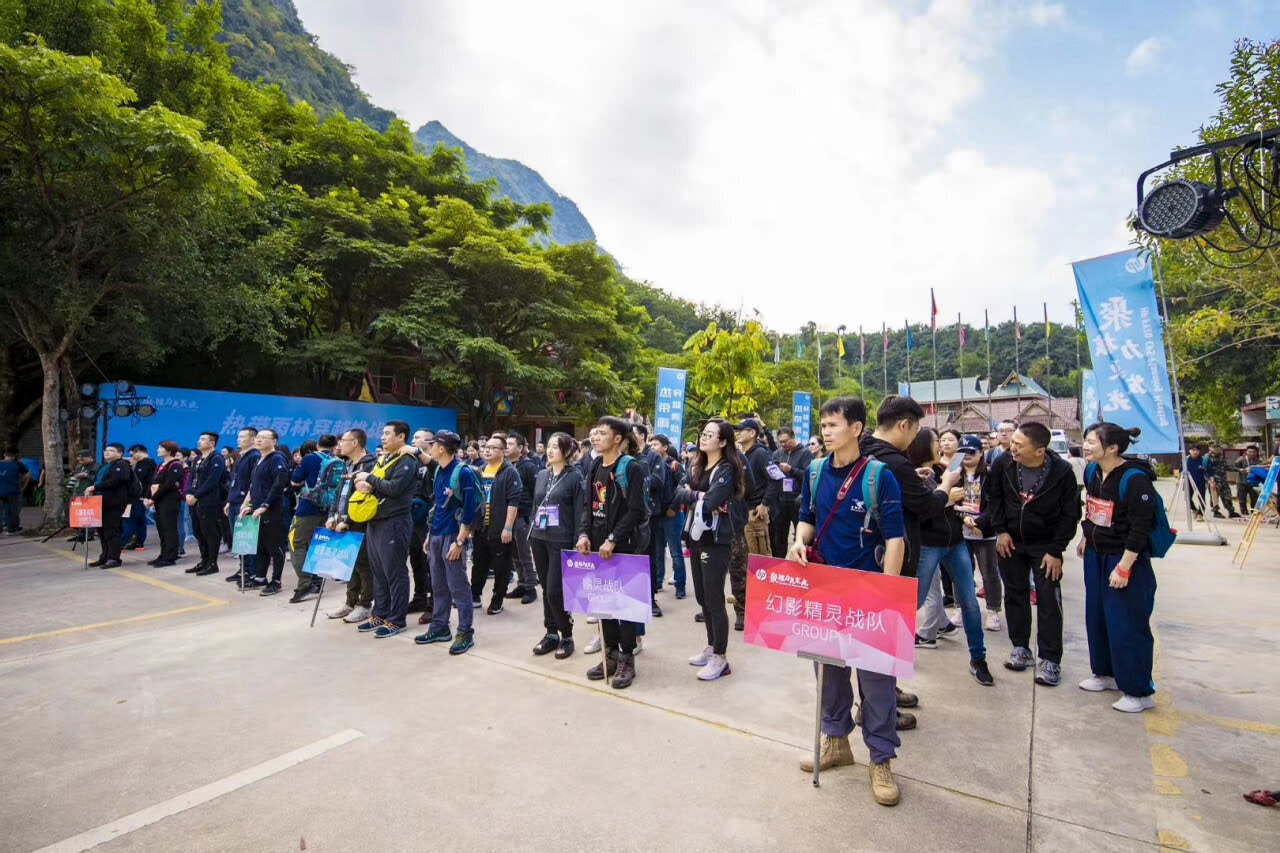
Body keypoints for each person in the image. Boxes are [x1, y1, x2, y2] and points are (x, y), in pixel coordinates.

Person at [788, 397, 907, 807]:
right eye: (823, 424)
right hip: (823, 588)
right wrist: (798, 543)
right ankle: (836, 742)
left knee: (876, 682)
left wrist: (887, 593)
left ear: (857, 428)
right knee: (828, 673)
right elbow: (807, 518)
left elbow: (895, 539)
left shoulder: (879, 476)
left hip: (869, 593)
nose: (826, 430)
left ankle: (881, 758)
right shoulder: (815, 471)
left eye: (834, 424)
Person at [861, 395, 964, 728]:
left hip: (867, 554)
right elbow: (925, 507)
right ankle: (877, 708)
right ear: (904, 425)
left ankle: (886, 693)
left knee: (881, 635)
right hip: (890, 558)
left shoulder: (864, 449)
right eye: (917, 428)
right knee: (885, 634)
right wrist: (945, 487)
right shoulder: (894, 462)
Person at [985, 421, 1082, 686]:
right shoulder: (1004, 464)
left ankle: (1050, 659)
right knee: (1015, 595)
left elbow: (1070, 514)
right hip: (1011, 542)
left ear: (1039, 450)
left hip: (1045, 546)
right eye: (1012, 442)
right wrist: (1001, 530)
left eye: (1018, 444)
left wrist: (1055, 550)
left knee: (1049, 600)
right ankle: (1020, 648)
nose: (1012, 447)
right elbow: (994, 498)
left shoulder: (1062, 472)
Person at [1079, 423, 1159, 713]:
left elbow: (1140, 528)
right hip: (1096, 554)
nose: (1085, 446)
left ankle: (1138, 691)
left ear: (1112, 448)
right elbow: (1091, 508)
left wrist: (1125, 567)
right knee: (1098, 616)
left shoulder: (1135, 480)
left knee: (1127, 623)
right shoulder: (1092, 472)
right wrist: (1086, 538)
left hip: (1125, 559)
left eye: (1091, 442)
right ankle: (1105, 673)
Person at [576, 416, 648, 689]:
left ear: (618, 438)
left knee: (625, 605)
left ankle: (627, 659)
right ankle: (610, 653)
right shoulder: (594, 464)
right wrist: (584, 534)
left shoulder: (631, 468)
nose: (595, 437)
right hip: (596, 547)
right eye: (594, 433)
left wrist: (613, 538)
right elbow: (587, 504)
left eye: (602, 433)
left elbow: (636, 510)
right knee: (603, 603)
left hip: (623, 546)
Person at [916, 430, 992, 686]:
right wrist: (946, 498)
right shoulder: (914, 473)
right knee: (914, 601)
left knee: (969, 601)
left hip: (956, 542)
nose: (945, 445)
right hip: (929, 545)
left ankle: (978, 658)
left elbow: (958, 501)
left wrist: (961, 511)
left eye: (947, 441)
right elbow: (922, 510)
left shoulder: (949, 469)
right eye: (939, 442)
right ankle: (893, 653)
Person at [675, 418, 745, 681]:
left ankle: (721, 658)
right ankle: (711, 646)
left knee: (715, 599)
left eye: (710, 435)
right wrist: (699, 496)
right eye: (702, 433)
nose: (703, 438)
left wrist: (695, 494)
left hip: (716, 539)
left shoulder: (727, 468)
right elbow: (676, 493)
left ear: (723, 442)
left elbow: (714, 499)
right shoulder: (698, 465)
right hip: (696, 536)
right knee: (703, 597)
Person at [415, 430, 481, 654]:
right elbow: (438, 506)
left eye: (432, 444)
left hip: (454, 536)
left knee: (458, 586)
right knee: (438, 585)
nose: (429, 448)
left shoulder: (463, 472)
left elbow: (470, 510)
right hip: (436, 535)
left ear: (441, 448)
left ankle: (465, 632)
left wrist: (460, 542)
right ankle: (440, 627)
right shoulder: (438, 471)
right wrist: (429, 535)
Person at [352, 421, 418, 638]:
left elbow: (394, 489)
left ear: (401, 437)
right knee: (378, 570)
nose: (383, 437)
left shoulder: (407, 461)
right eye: (382, 433)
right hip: (376, 520)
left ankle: (397, 619)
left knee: (394, 571)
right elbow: (375, 485)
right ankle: (380, 613)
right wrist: (366, 482)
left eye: (388, 433)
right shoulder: (384, 458)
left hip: (394, 521)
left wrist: (368, 478)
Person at [528, 432, 583, 659]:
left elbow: (580, 512)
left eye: (555, 447)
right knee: (545, 589)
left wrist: (578, 540)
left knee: (554, 591)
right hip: (539, 538)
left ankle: (567, 634)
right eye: (548, 446)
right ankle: (551, 633)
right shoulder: (542, 474)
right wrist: (532, 531)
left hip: (561, 540)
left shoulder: (575, 477)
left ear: (566, 452)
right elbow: (536, 505)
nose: (550, 450)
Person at [326, 429, 377, 624]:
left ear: (355, 442)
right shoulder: (347, 464)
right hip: (341, 521)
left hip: (359, 523)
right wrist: (333, 516)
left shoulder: (370, 465)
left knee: (363, 565)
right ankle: (350, 601)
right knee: (350, 564)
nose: (339, 444)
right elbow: (340, 494)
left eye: (344, 441)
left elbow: (366, 497)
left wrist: (348, 521)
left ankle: (364, 604)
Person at [471, 433, 522, 614]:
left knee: (501, 566)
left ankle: (497, 600)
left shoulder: (509, 472)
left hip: (500, 528)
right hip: (480, 527)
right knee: (479, 563)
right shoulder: (480, 470)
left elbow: (513, 502)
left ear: (503, 451)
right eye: (486, 447)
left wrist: (508, 527)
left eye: (493, 448)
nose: (488, 451)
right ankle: (474, 596)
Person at [957, 435, 1003, 632]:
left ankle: (993, 610)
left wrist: (979, 522)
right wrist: (964, 518)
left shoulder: (990, 475)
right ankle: (960, 607)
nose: (966, 455)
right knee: (960, 573)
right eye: (963, 452)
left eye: (971, 452)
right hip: (960, 531)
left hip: (985, 533)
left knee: (989, 573)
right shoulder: (953, 474)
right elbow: (948, 500)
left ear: (981, 453)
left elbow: (995, 504)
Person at [731, 417, 772, 630]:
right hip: (739, 515)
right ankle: (742, 607)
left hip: (755, 515)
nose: (739, 433)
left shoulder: (761, 454)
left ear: (753, 433)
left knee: (759, 563)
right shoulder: (740, 455)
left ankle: (763, 608)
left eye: (743, 430)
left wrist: (765, 504)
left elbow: (777, 478)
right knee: (739, 563)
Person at [240, 429, 291, 594]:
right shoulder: (259, 459)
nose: (259, 440)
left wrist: (265, 504)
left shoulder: (277, 458)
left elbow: (279, 484)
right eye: (257, 438)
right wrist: (250, 505)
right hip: (257, 509)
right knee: (260, 546)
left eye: (263, 438)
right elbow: (256, 486)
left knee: (275, 547)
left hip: (272, 510)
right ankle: (260, 578)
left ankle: (276, 582)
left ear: (274, 441)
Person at [286, 436, 334, 604]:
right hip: (328, 509)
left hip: (308, 508)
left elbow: (295, 480)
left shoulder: (310, 458)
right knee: (317, 544)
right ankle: (316, 580)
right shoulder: (336, 459)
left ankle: (305, 584)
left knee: (295, 543)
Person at [649, 434, 688, 598]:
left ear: (665, 447)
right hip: (657, 513)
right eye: (651, 444)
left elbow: (683, 487)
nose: (652, 447)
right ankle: (657, 581)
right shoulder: (649, 463)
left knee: (675, 551)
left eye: (656, 444)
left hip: (672, 514)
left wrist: (674, 507)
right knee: (657, 551)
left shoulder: (674, 465)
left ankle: (680, 586)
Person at [504, 432, 541, 605]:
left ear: (520, 448)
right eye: (506, 444)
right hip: (507, 516)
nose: (507, 447)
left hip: (523, 516)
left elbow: (537, 492)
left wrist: (533, 516)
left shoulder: (528, 466)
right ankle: (521, 583)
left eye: (511, 444)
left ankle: (531, 587)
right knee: (514, 554)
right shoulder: (504, 466)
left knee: (524, 553)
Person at [84, 443, 134, 568]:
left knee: (112, 531)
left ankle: (114, 558)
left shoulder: (121, 465)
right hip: (101, 502)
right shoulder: (105, 466)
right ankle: (104, 556)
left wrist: (95, 487)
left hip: (114, 503)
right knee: (102, 531)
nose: (107, 452)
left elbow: (116, 481)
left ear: (120, 453)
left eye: (111, 451)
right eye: (106, 450)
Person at [186, 431, 225, 575]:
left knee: (210, 532)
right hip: (194, 500)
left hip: (208, 501)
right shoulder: (197, 459)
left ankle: (212, 563)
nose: (199, 441)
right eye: (199, 438)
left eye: (203, 439)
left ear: (212, 443)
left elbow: (212, 481)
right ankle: (204, 560)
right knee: (198, 531)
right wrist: (189, 492)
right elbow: (191, 478)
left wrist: (196, 496)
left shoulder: (217, 458)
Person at [224, 427, 260, 584]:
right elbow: (235, 482)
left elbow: (254, 483)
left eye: (242, 437)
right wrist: (229, 501)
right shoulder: (240, 456)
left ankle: (251, 572)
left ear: (253, 439)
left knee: (247, 539)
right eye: (238, 436)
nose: (238, 439)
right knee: (238, 539)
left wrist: (248, 503)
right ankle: (243, 569)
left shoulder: (255, 456)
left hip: (244, 503)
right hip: (234, 502)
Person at [770, 427, 813, 559]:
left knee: (800, 535)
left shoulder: (805, 453)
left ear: (793, 437)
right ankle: (779, 564)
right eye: (781, 442)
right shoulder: (778, 453)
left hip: (797, 499)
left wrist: (791, 470)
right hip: (780, 500)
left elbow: (809, 475)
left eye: (786, 441)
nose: (783, 444)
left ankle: (799, 561)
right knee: (779, 535)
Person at [145, 441, 186, 568]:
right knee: (162, 529)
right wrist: (149, 497)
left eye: (160, 448)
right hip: (159, 500)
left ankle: (170, 556)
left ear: (168, 451)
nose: (158, 450)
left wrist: (153, 498)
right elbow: (154, 483)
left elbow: (169, 484)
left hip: (169, 500)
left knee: (170, 529)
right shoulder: (161, 465)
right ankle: (163, 554)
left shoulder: (175, 465)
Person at [123, 444, 156, 551]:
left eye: (133, 455)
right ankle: (138, 542)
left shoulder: (146, 463)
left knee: (132, 519)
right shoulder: (145, 463)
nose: (132, 457)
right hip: (142, 496)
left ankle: (124, 542)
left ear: (139, 451)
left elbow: (138, 479)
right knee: (140, 520)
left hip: (140, 496)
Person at [1204, 444, 1238, 519]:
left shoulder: (1221, 456)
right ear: (1210, 448)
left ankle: (1231, 511)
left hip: (1223, 480)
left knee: (1227, 495)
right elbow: (1205, 470)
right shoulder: (1206, 457)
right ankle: (1216, 512)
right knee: (1214, 497)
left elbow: (1226, 467)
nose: (1216, 449)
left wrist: (1239, 470)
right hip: (1214, 481)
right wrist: (1210, 480)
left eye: (1217, 447)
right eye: (1213, 447)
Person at [0, 449, 29, 535]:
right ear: (15, 456)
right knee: (12, 511)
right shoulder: (18, 464)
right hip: (13, 491)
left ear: (5, 455)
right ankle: (11, 529)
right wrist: (23, 487)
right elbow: (27, 475)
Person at [1235, 444, 1263, 514]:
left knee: (1254, 499)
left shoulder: (1259, 461)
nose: (1252, 453)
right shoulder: (1241, 459)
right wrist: (1240, 470)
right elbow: (1233, 467)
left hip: (1253, 483)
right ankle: (1244, 513)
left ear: (1257, 453)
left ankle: (1253, 512)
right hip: (1242, 482)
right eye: (1250, 452)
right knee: (1242, 499)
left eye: (1253, 452)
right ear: (1246, 452)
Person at [1184, 444, 1207, 521]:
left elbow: (1209, 471)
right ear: (1189, 451)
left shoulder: (1204, 460)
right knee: (1187, 498)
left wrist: (1211, 480)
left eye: (1197, 450)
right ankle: (1194, 509)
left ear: (1199, 451)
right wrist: (1177, 480)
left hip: (1200, 482)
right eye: (1193, 450)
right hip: (1188, 482)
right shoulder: (1186, 459)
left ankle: (1200, 514)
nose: (1195, 452)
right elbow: (1181, 470)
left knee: (1201, 499)